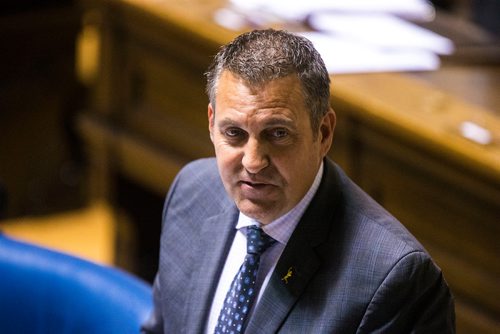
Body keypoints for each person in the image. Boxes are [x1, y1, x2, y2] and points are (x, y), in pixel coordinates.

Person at [141, 29, 455, 333]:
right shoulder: (192, 190)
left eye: (278, 134)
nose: (253, 162)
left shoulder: (394, 279)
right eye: (234, 134)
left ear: (324, 133)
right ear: (212, 124)